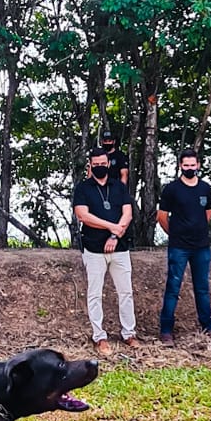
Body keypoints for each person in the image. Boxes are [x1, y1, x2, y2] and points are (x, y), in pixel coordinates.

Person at [74, 147, 137, 356]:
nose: (100, 167)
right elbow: (83, 215)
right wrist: (111, 227)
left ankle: (129, 333)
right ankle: (99, 336)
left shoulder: (118, 187)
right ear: (90, 165)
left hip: (119, 248)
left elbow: (127, 214)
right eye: (96, 164)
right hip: (93, 249)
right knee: (94, 294)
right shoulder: (83, 188)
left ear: (109, 164)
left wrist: (115, 235)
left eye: (103, 163)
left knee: (126, 292)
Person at [156, 149, 211, 345]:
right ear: (180, 166)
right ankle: (166, 329)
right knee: (173, 288)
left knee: (202, 287)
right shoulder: (171, 189)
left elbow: (208, 213)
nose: (190, 168)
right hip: (179, 247)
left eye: (193, 165)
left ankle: (208, 325)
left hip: (201, 246)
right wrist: (175, 233)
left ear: (198, 165)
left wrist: (197, 229)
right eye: (186, 165)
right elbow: (161, 217)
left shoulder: (205, 188)